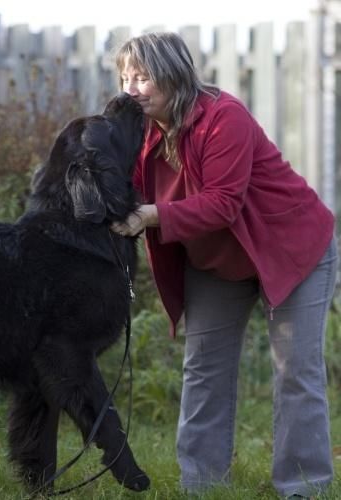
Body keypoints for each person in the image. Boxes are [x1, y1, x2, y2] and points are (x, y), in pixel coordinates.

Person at [110, 32, 337, 499]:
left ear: (173, 75)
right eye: (124, 77)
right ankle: (203, 487)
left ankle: (305, 488)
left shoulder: (222, 117)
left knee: (295, 370)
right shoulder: (141, 131)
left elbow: (222, 204)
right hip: (215, 261)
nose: (130, 89)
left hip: (290, 248)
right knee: (203, 370)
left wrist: (151, 215)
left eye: (143, 77)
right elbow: (123, 187)